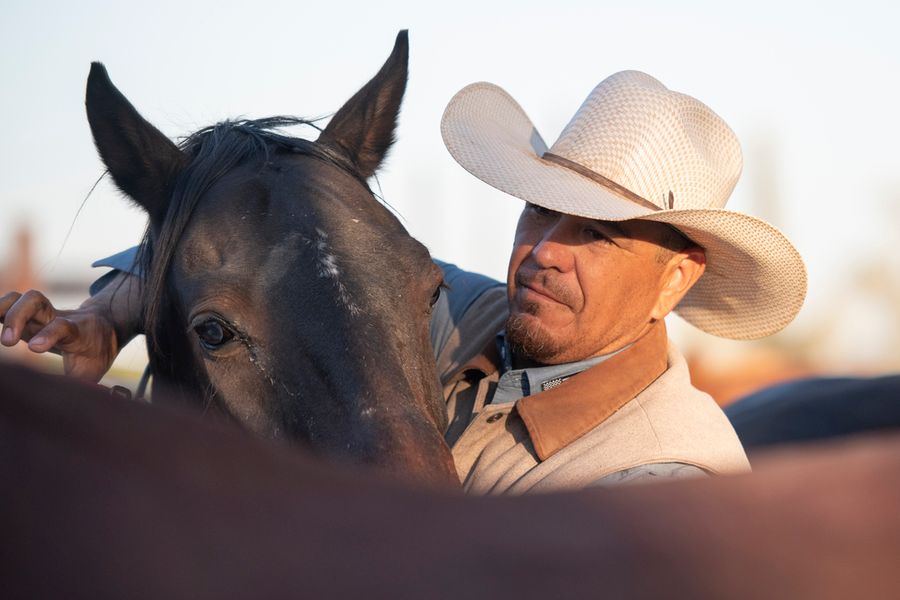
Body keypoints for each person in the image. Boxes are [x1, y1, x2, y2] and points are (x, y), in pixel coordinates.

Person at [0, 70, 806, 492]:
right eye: (539, 214)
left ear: (675, 280)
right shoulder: (486, 314)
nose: (545, 251)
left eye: (595, 235)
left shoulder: (659, 487)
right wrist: (111, 312)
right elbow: (291, 265)